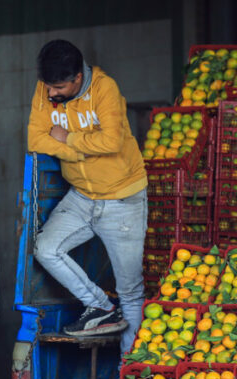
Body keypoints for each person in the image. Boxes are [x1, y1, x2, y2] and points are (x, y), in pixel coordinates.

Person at [28, 38, 147, 353]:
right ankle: (100, 307)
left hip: (123, 199)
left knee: (131, 293)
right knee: (45, 248)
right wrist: (80, 154)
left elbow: (112, 142)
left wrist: (69, 139)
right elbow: (35, 138)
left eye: (57, 87)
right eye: (47, 86)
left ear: (77, 78)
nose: (50, 93)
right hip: (81, 196)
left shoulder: (105, 89)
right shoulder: (47, 87)